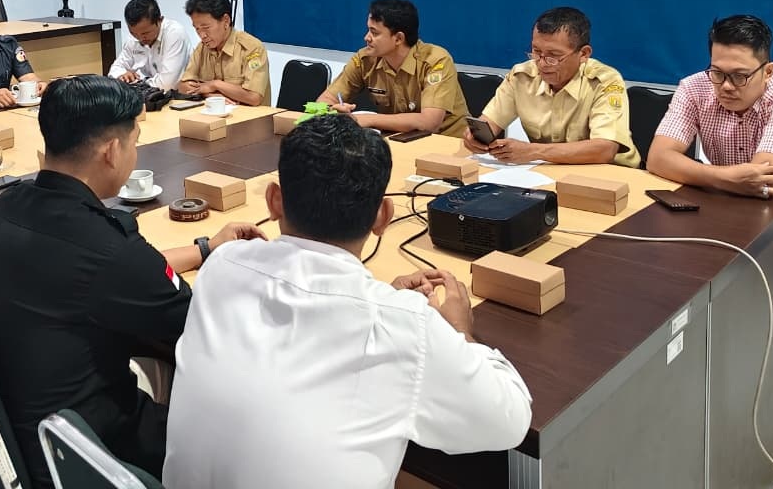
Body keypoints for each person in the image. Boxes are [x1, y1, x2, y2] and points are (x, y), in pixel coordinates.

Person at [163, 116, 532, 489]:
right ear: (383, 217)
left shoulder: (222, 267)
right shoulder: (406, 326)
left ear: (274, 201)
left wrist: (390, 303)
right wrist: (459, 330)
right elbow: (509, 421)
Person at [0, 75, 265, 486]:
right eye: (135, 140)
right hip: (84, 457)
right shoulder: (109, 248)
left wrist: (203, 249)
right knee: (243, 432)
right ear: (111, 151)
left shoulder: (8, 204)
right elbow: (199, 325)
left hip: (11, 434)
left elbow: (107, 272)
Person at [648, 14, 773, 284]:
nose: (726, 86)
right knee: (662, 262)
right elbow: (658, 158)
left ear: (768, 72)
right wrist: (729, 179)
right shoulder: (694, 87)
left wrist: (705, 175)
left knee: (759, 283)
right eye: (718, 73)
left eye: (740, 76)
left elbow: (760, 181)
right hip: (721, 208)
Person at [465, 7, 639, 168]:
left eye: (553, 56)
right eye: (536, 52)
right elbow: (489, 122)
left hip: (612, 172)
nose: (542, 64)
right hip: (550, 171)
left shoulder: (605, 81)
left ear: (583, 54)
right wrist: (475, 137)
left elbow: (604, 149)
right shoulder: (521, 76)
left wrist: (532, 151)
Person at [318, 0, 468, 136]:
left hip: (447, 142)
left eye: (374, 32)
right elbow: (326, 99)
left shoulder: (436, 61)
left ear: (398, 38)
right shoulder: (365, 59)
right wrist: (333, 111)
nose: (366, 38)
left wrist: (367, 119)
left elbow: (429, 123)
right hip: (397, 141)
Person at [177, 0, 269, 105]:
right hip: (215, 117)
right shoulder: (202, 48)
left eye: (206, 27)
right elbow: (183, 86)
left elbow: (254, 97)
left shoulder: (252, 48)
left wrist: (215, 84)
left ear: (226, 21)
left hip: (249, 119)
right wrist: (210, 95)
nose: (202, 35)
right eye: (197, 29)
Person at [107, 0, 190, 90]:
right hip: (152, 93)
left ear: (160, 20)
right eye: (133, 33)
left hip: (183, 95)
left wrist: (139, 84)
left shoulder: (175, 33)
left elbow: (167, 84)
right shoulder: (133, 39)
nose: (140, 38)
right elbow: (115, 69)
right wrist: (122, 75)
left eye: (145, 33)